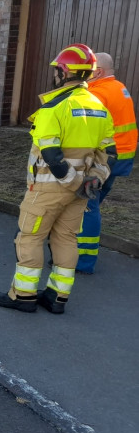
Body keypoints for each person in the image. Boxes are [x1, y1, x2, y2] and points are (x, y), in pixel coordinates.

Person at [0, 43, 115, 315]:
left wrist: (71, 181)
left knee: (30, 238)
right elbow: (109, 153)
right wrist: (91, 181)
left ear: (63, 71)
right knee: (66, 239)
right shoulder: (98, 106)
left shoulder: (53, 108)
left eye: (56, 69)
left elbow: (50, 153)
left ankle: (22, 296)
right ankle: (57, 298)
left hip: (48, 188)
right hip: (82, 190)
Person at [75, 52, 137, 274]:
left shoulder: (97, 94)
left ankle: (83, 261)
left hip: (105, 159)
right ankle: (76, 246)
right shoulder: (119, 88)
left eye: (87, 68)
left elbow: (87, 131)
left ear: (97, 72)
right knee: (92, 203)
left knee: (86, 206)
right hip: (121, 157)